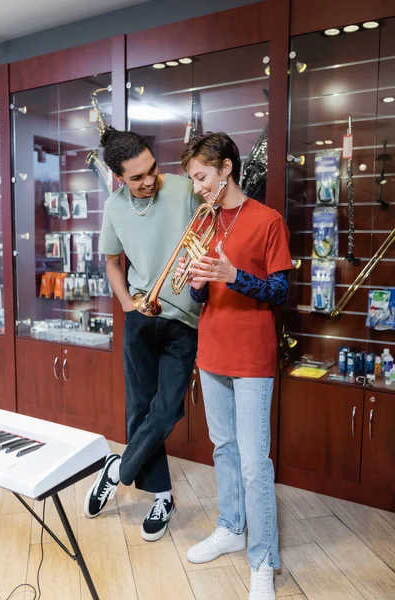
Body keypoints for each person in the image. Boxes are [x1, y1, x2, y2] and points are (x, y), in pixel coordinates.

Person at [176, 132, 293, 600]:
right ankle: (231, 527)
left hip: (251, 357)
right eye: (192, 180)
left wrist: (235, 276)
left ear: (226, 168)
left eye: (202, 177)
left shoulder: (268, 220)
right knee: (222, 449)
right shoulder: (203, 222)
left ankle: (263, 561)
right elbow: (199, 295)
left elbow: (282, 293)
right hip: (212, 352)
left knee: (252, 464)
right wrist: (200, 281)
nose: (197, 187)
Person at [84, 128, 201, 542]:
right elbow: (113, 263)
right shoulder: (114, 208)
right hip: (139, 316)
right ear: (118, 177)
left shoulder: (185, 188)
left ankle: (118, 469)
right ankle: (162, 497)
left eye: (152, 169)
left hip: (184, 320)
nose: (149, 180)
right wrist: (125, 304)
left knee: (167, 411)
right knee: (139, 410)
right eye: (136, 177)